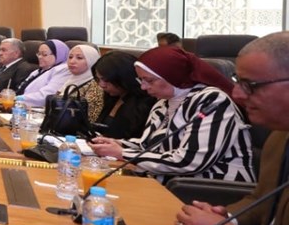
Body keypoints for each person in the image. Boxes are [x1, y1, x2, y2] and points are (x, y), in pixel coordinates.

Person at [176, 32, 289, 225]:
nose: (237, 94)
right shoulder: (279, 136)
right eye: (238, 82)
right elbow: (262, 200)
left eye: (250, 85)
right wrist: (226, 217)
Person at [89, 45, 253, 184]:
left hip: (212, 189)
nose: (143, 87)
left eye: (149, 80)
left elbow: (189, 161)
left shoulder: (211, 101)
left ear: (172, 76)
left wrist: (122, 153)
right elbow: (149, 146)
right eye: (141, 80)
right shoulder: (163, 102)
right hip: (170, 184)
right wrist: (117, 144)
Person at [91, 51, 155, 139]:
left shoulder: (145, 103)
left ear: (123, 77)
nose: (101, 85)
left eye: (106, 80)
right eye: (98, 79)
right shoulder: (113, 96)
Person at [18, 39, 74, 108]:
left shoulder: (64, 70)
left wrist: (17, 99)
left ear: (59, 55)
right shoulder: (38, 71)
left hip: (37, 110)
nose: (39, 57)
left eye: (44, 54)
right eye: (39, 54)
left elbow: (46, 96)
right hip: (21, 106)